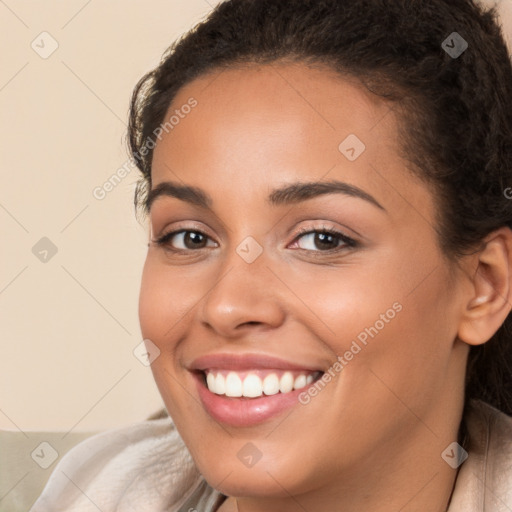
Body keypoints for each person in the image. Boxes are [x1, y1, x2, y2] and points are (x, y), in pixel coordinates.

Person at [30, 0, 512, 510]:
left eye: (322, 239)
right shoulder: (98, 489)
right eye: (190, 237)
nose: (227, 306)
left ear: (484, 285)